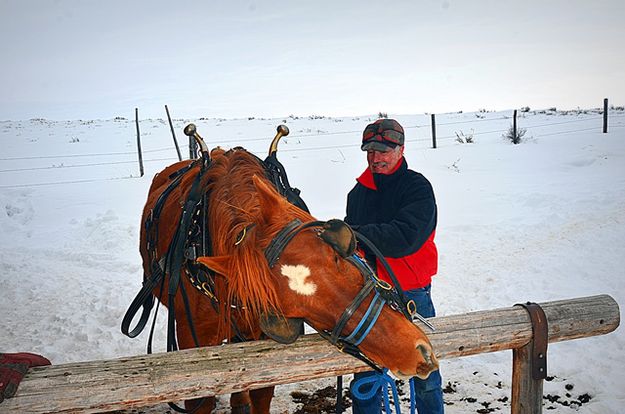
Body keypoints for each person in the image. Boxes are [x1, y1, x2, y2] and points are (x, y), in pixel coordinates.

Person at [344, 119, 444, 413]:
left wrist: (355, 233)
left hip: (411, 291)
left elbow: (405, 238)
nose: (375, 158)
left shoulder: (417, 188)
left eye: (384, 151)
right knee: (365, 374)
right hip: (368, 293)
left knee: (425, 373)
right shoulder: (358, 193)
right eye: (370, 151)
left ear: (400, 149)